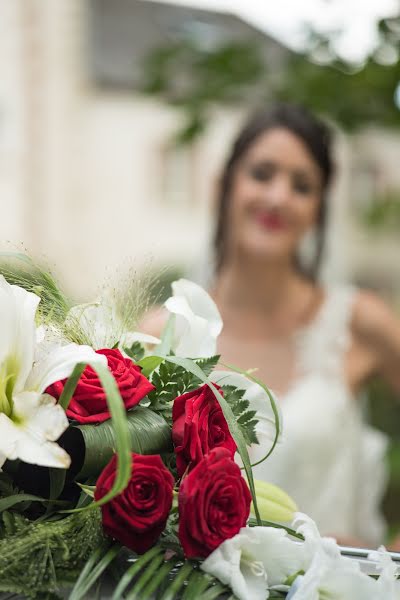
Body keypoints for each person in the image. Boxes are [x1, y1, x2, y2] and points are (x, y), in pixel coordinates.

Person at [142, 103, 400, 548]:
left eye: (302, 186)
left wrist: (385, 562)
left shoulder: (360, 324)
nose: (278, 197)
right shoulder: (160, 335)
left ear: (318, 210)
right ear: (224, 187)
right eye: (262, 174)